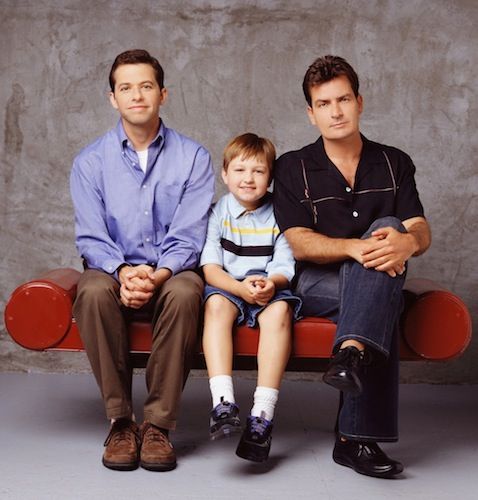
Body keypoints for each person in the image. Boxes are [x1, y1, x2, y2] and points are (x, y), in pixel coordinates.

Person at [273, 55, 431, 478]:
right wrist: (354, 249)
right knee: (382, 293)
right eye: (324, 103)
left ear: (359, 101)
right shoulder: (291, 167)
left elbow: (419, 227)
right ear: (311, 113)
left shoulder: (395, 162)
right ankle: (355, 440)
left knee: (389, 226)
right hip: (315, 285)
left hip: (374, 280)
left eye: (343, 99)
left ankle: (349, 355)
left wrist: (408, 241)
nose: (336, 111)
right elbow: (299, 242)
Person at [70, 49, 214, 472]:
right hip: (113, 270)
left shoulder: (193, 157)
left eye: (146, 86)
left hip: (172, 271)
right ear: (113, 98)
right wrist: (124, 272)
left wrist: (159, 273)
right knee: (93, 290)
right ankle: (119, 422)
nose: (136, 95)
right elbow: (92, 236)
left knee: (188, 292)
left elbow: (190, 234)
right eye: (126, 87)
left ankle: (157, 426)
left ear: (163, 94)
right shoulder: (89, 162)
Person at [200, 133, 301, 462]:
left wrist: (270, 283)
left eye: (258, 171)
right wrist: (237, 288)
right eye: (240, 170)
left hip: (267, 285)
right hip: (228, 286)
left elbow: (285, 264)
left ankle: (263, 414)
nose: (248, 179)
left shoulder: (279, 213)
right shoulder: (218, 213)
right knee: (214, 305)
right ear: (225, 174)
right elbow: (211, 268)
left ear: (270, 177)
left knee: (280, 312)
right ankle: (223, 401)